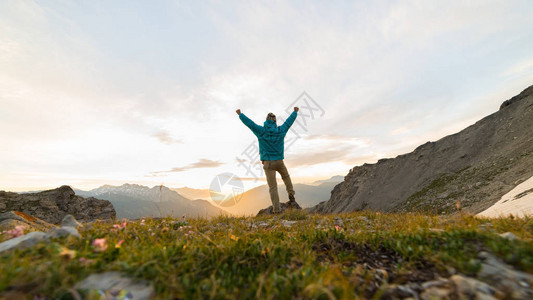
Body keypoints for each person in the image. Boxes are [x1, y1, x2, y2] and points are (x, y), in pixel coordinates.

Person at [236, 107, 300, 213]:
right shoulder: (281, 130)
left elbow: (250, 123)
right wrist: (295, 112)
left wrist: (240, 114)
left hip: (268, 163)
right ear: (275, 121)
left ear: (266, 120)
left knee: (273, 187)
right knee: (286, 177)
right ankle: (291, 195)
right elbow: (289, 122)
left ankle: (277, 210)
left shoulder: (261, 131)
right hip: (279, 161)